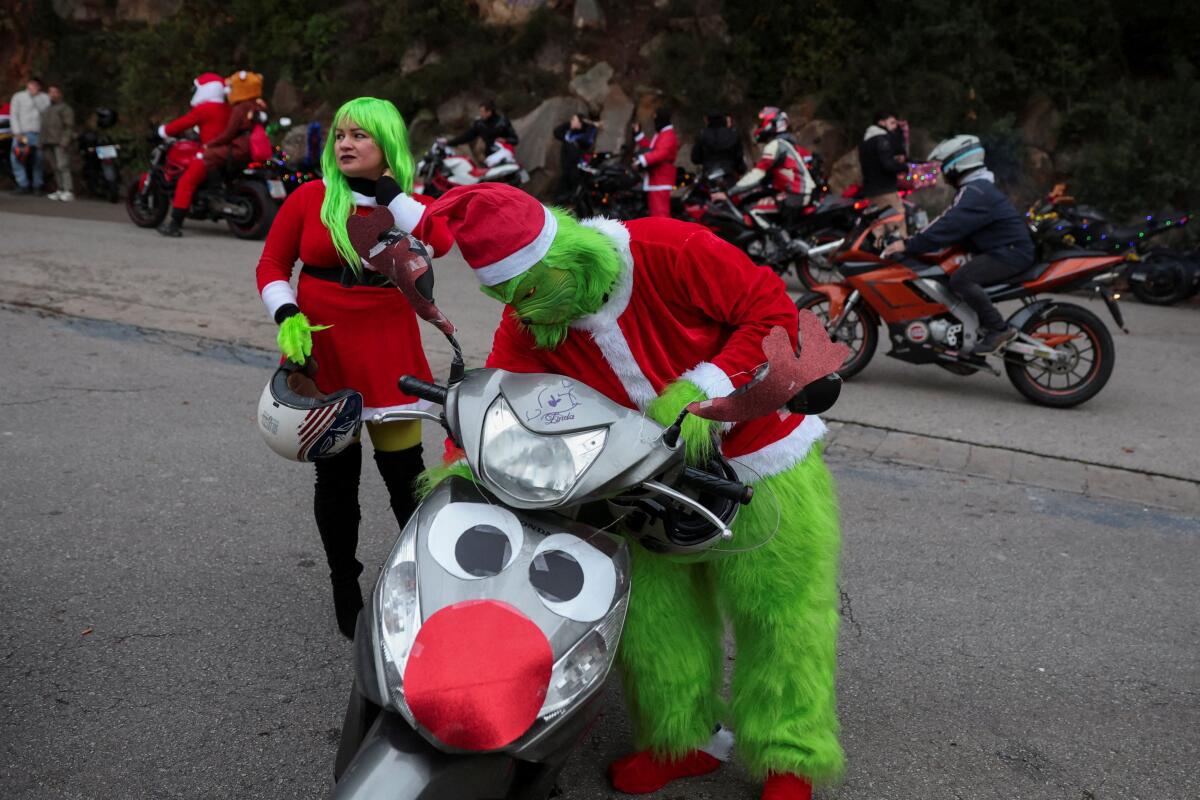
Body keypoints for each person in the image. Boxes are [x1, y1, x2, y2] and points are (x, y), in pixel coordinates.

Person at [415, 183, 844, 800]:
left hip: (763, 456)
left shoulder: (673, 247)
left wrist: (705, 392)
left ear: (567, 256)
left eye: (529, 291)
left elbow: (771, 312)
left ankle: (790, 758)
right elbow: (504, 395)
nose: (525, 311)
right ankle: (681, 739)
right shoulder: (530, 317)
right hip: (636, 483)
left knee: (781, 617)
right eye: (507, 297)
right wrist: (464, 463)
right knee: (651, 620)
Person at [255, 97, 452, 639]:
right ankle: (346, 581)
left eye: (360, 136)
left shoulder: (408, 205)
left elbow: (441, 240)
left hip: (388, 345)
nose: (345, 143)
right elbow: (272, 264)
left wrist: (391, 194)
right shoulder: (310, 197)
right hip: (325, 346)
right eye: (340, 134)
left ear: (387, 145)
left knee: (405, 477)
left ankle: (424, 582)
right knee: (336, 476)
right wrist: (287, 311)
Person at [882, 134, 1034, 356]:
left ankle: (998, 328)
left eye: (944, 166)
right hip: (1003, 249)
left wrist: (908, 244)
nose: (943, 173)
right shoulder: (976, 189)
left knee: (961, 278)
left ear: (958, 164)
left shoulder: (976, 192)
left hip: (1010, 253)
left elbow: (947, 224)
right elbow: (949, 223)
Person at [156, 72, 232, 237]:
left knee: (186, 182)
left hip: (209, 153)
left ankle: (174, 224)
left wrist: (164, 130)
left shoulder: (204, 109)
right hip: (228, 153)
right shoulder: (227, 108)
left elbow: (183, 123)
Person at [723, 107, 815, 222]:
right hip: (799, 192)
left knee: (753, 210)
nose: (759, 127)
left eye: (761, 123)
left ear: (771, 123)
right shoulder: (785, 143)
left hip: (795, 194)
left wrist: (730, 192)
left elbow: (757, 174)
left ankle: (781, 240)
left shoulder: (775, 145)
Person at [203, 70, 270, 171]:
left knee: (208, 155)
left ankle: (217, 185)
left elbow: (229, 133)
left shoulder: (240, 108)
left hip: (242, 148)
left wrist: (209, 145)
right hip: (257, 146)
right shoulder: (259, 105)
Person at [858, 111, 909, 236]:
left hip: (870, 191)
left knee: (877, 228)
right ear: (881, 122)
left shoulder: (865, 141)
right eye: (892, 123)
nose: (895, 126)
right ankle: (899, 254)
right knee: (897, 225)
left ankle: (877, 254)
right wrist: (904, 167)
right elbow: (887, 164)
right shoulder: (882, 139)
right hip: (886, 190)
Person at [446, 98, 519, 167]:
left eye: (482, 112)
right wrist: (450, 142)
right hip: (487, 158)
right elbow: (467, 136)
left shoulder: (503, 121)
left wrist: (506, 140)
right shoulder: (479, 124)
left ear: (489, 112)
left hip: (503, 154)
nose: (480, 114)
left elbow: (515, 140)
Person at [633, 108, 678, 217]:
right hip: (656, 179)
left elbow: (660, 153)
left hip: (660, 180)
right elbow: (652, 150)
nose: (654, 120)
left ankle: (664, 234)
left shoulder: (667, 134)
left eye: (655, 117)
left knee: (660, 215)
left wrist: (641, 161)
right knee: (656, 214)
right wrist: (639, 135)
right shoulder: (663, 133)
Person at [9, 77, 50, 195]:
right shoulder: (19, 97)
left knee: (38, 158)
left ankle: (38, 185)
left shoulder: (44, 98)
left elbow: (45, 113)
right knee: (17, 157)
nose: (34, 87)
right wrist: (17, 132)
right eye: (32, 84)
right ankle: (23, 184)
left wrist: (35, 98)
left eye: (36, 85)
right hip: (23, 133)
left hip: (38, 133)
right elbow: (14, 115)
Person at [552, 113, 599, 203]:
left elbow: (587, 142)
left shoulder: (585, 135)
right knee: (560, 194)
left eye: (574, 120)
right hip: (566, 168)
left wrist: (590, 125)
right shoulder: (569, 133)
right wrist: (569, 124)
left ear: (580, 122)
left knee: (575, 192)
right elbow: (556, 132)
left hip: (578, 169)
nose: (571, 121)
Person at [40, 84, 76, 201]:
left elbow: (69, 126)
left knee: (63, 165)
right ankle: (60, 188)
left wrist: (65, 140)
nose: (52, 94)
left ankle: (68, 190)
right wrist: (41, 141)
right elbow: (43, 127)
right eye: (50, 92)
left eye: (55, 92)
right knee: (54, 167)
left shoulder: (65, 108)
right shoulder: (47, 109)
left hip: (60, 141)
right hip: (48, 141)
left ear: (60, 94)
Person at [690, 110, 745, 182]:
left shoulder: (702, 134)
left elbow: (695, 158)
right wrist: (740, 169)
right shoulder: (733, 134)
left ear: (707, 120)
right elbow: (739, 156)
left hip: (709, 173)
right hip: (729, 173)